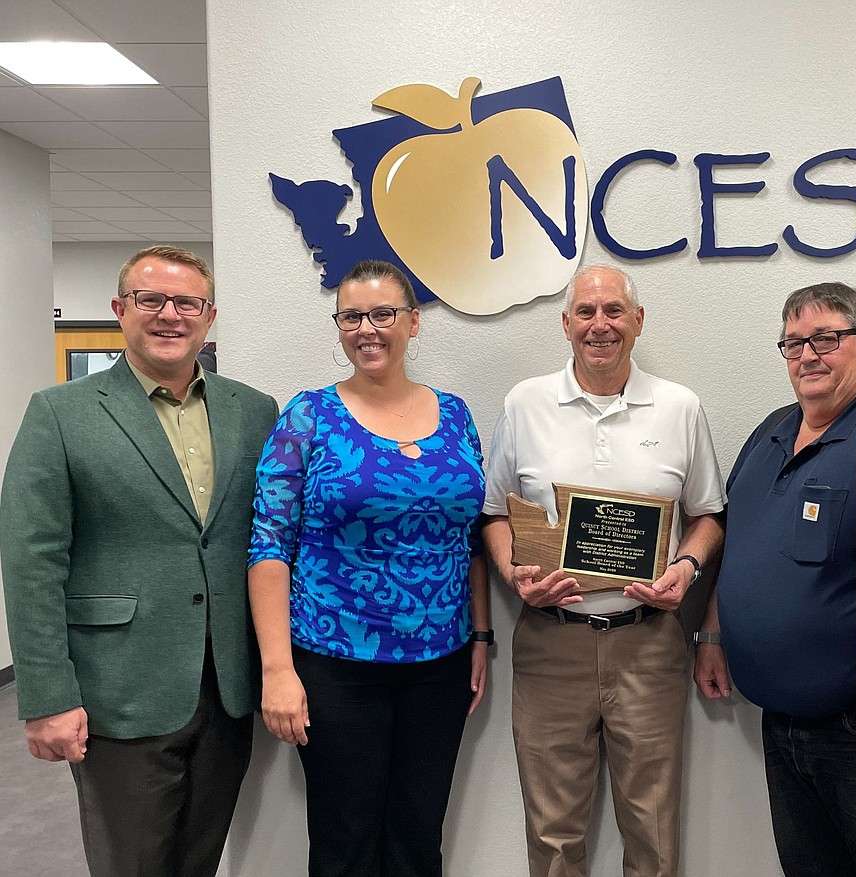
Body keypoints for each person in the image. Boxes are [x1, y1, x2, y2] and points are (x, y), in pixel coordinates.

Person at [0, 245, 278, 877]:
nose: (169, 315)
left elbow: (265, 538)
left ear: (210, 318)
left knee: (198, 860)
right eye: (151, 300)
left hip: (227, 684)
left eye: (187, 303)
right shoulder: (60, 414)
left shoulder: (255, 411)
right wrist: (46, 696)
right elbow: (31, 562)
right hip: (116, 690)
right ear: (120, 310)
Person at [694, 281, 856, 877]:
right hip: (782, 724)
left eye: (826, 339)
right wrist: (712, 633)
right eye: (793, 343)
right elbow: (740, 542)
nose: (808, 355)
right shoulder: (772, 431)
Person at [481, 264, 725, 877]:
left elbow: (710, 515)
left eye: (614, 311)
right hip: (549, 643)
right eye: (586, 313)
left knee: (653, 828)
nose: (600, 325)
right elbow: (492, 514)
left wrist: (688, 568)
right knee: (553, 832)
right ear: (566, 325)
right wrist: (515, 575)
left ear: (637, 322)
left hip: (649, 642)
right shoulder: (525, 402)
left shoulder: (680, 407)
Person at [248, 259, 490, 877]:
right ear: (338, 328)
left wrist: (482, 637)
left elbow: (470, 538)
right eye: (352, 316)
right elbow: (269, 545)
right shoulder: (308, 417)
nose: (368, 329)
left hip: (441, 663)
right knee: (345, 839)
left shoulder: (457, 415)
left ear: (413, 323)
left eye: (383, 314)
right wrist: (277, 669)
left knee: (418, 835)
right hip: (335, 665)